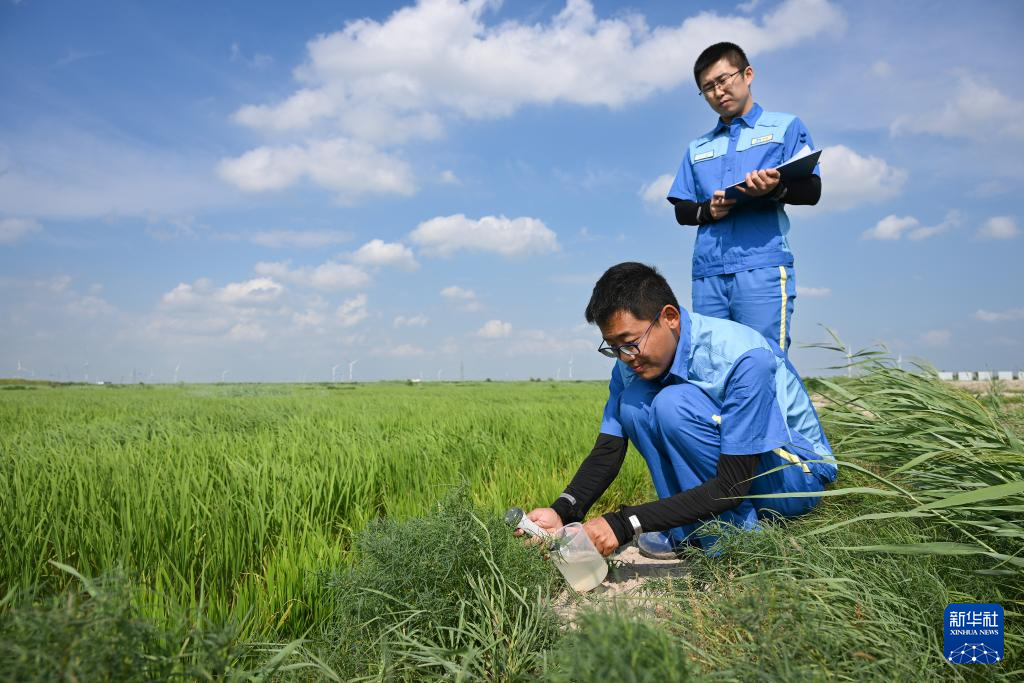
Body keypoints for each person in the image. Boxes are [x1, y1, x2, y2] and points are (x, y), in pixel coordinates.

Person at [525, 262, 836, 558]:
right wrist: (562, 511)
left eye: (630, 342)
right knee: (633, 404)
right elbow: (609, 449)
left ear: (670, 317)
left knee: (672, 405)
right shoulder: (631, 364)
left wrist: (627, 523)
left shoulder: (742, 357)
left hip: (796, 476)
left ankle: (737, 543)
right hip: (742, 476)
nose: (624, 357)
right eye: (613, 348)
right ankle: (691, 531)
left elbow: (732, 484)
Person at [666, 42, 821, 355]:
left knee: (764, 362)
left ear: (747, 74)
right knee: (714, 365)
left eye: (723, 80)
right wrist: (706, 211)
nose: (718, 92)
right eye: (707, 87)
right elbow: (682, 209)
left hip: (761, 266)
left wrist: (776, 190)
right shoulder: (697, 147)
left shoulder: (785, 126)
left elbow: (812, 191)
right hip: (708, 272)